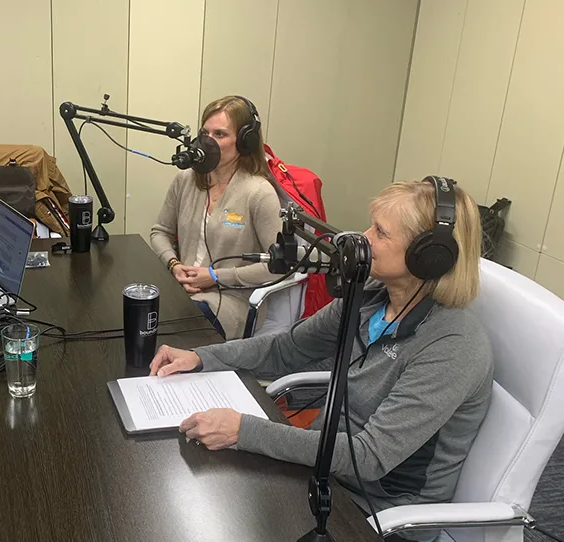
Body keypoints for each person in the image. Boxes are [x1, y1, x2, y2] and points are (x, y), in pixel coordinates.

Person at [149, 179, 492, 542]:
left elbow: (370, 457)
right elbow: (285, 349)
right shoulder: (372, 297)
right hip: (323, 472)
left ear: (427, 256)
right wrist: (202, 358)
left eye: (381, 232)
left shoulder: (454, 344)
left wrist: (243, 430)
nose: (365, 238)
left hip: (377, 510)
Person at [150, 95, 283, 340]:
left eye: (220, 134)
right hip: (180, 290)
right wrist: (174, 265)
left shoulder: (259, 193)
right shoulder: (186, 179)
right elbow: (160, 231)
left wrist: (214, 277)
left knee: (169, 336)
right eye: (205, 133)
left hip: (231, 301)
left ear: (244, 141)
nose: (208, 142)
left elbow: (277, 266)